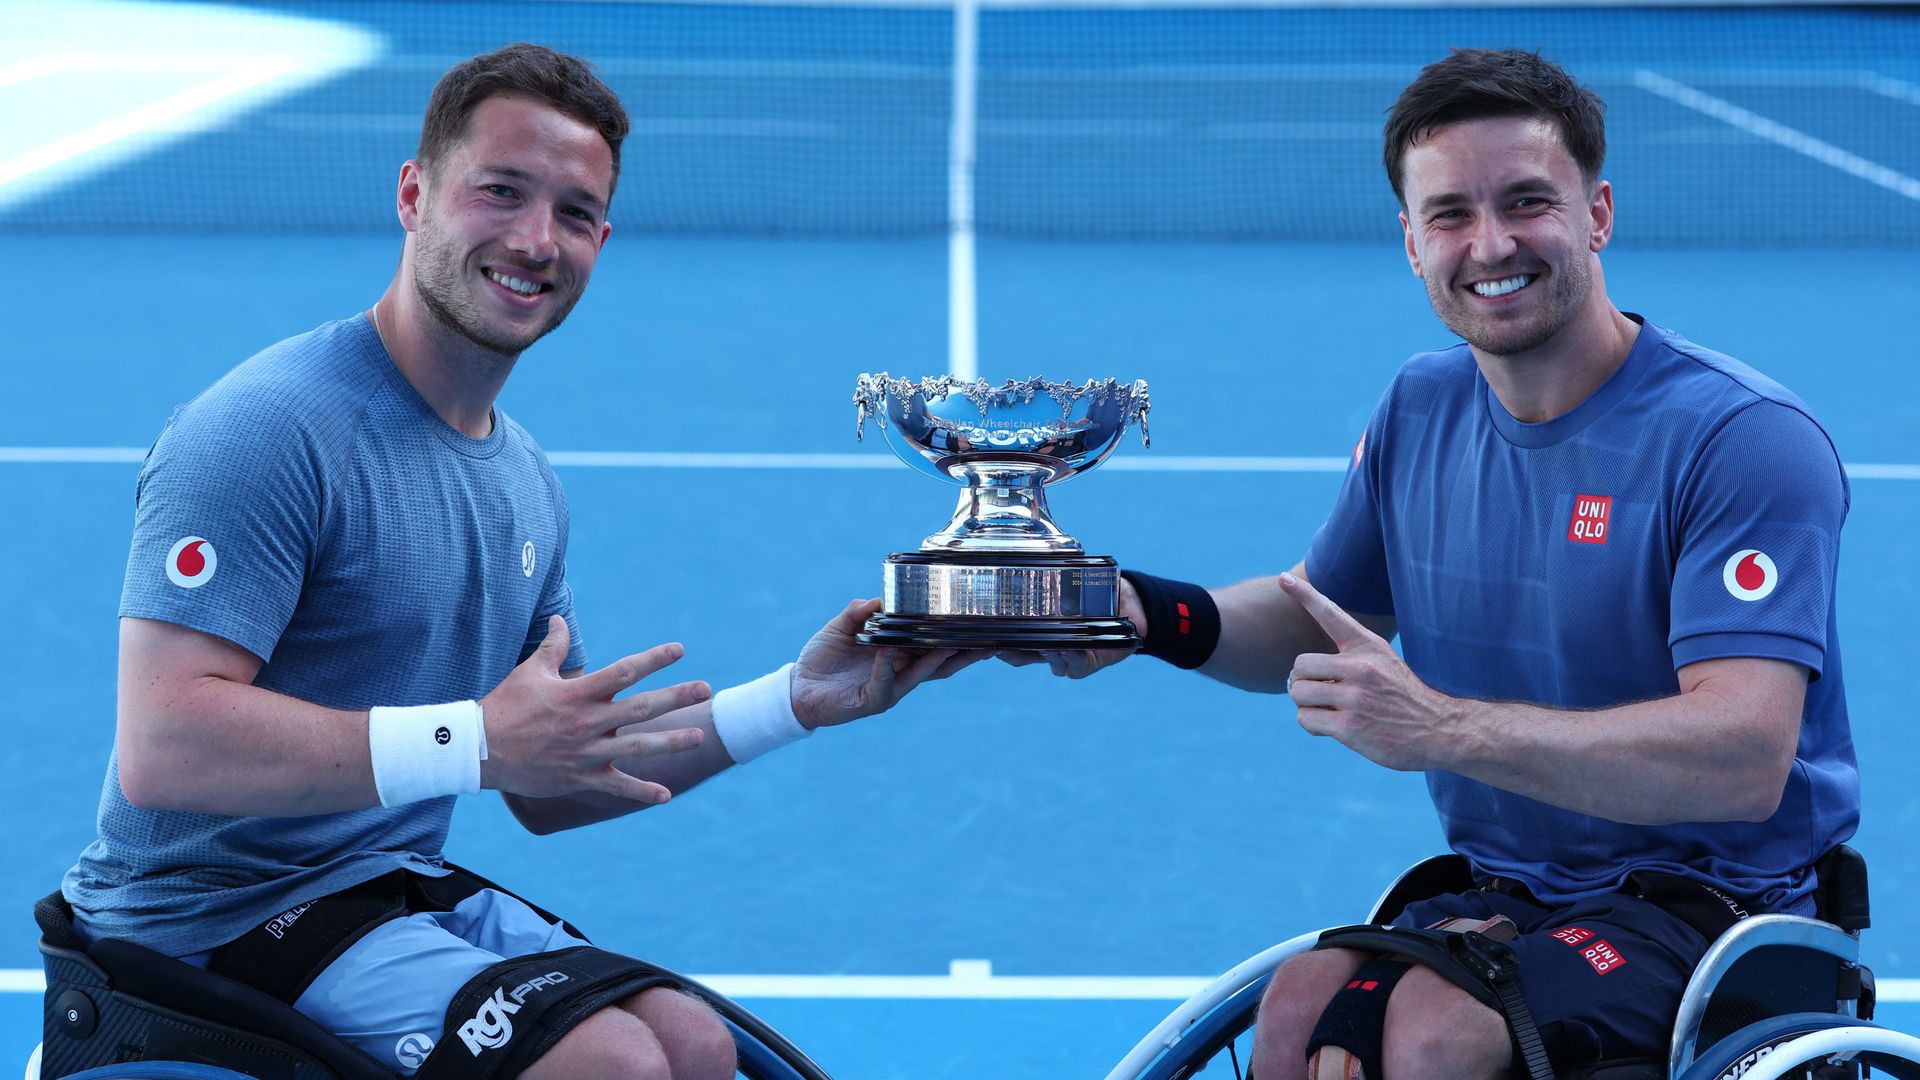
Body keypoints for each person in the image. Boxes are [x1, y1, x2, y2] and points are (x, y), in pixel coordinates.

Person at [60, 43, 974, 1080]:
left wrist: (798, 700)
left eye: (575, 213)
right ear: (415, 195)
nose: (537, 240)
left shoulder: (525, 480)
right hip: (198, 929)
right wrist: (474, 742)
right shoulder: (265, 429)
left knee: (692, 1043)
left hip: (377, 889)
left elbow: (555, 778)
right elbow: (167, 746)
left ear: (602, 240)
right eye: (501, 192)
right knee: (612, 1063)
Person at [1008, 48, 1858, 1078]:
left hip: (1715, 907)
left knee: (1432, 1036)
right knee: (1296, 1013)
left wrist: (1444, 728)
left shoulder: (1740, 439)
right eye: (1450, 214)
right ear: (1410, 242)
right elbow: (1315, 624)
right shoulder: (1421, 406)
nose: (1491, 243)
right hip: (1510, 888)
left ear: (1597, 215)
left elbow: (1744, 756)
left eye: (1527, 202)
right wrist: (1140, 613)